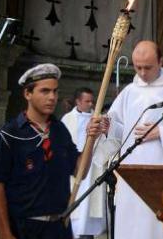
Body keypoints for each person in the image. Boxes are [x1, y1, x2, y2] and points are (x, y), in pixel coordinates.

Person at [92, 40, 163, 239]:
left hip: (162, 176)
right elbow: (121, 129)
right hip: (132, 175)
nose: (142, 73)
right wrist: (109, 127)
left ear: (161, 61)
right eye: (138, 67)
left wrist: (162, 133)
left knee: (155, 226)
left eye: (147, 67)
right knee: (132, 226)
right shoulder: (129, 92)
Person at [0, 63, 104, 239]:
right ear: (27, 94)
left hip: (59, 228)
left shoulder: (60, 130)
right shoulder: (11, 134)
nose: (52, 97)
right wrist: (5, 232)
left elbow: (79, 172)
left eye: (55, 91)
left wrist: (91, 140)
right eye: (45, 91)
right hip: (24, 229)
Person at [61, 88, 106, 239]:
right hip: (75, 169)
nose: (91, 103)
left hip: (93, 169)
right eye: (87, 101)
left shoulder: (99, 118)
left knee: (89, 208)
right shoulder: (67, 119)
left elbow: (107, 143)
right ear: (78, 102)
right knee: (74, 210)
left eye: (91, 100)